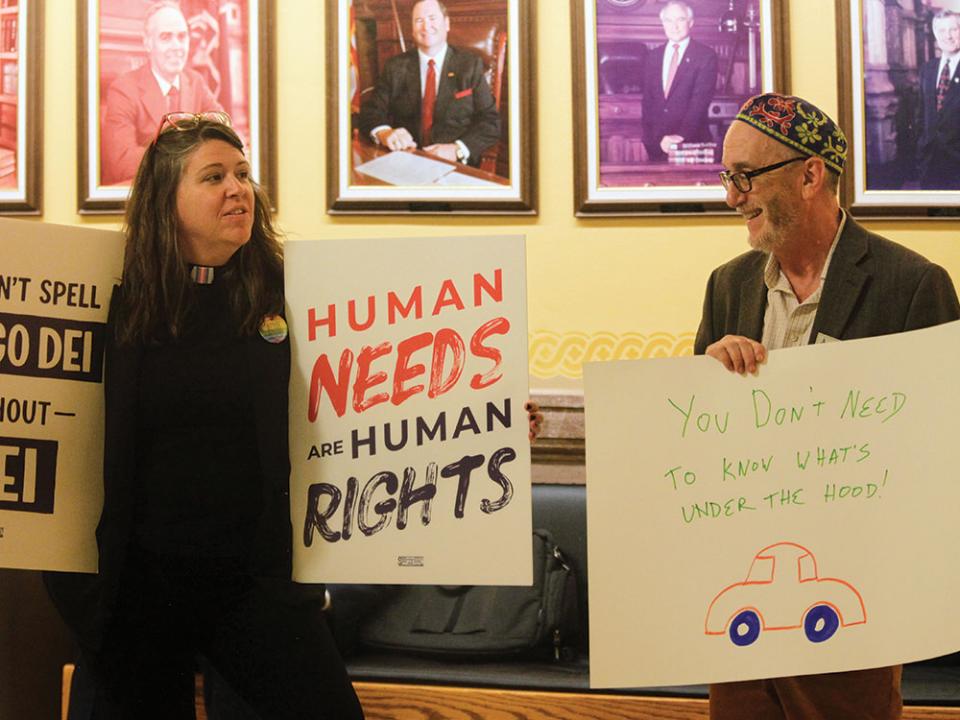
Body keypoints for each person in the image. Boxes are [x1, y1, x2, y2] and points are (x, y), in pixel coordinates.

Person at [46, 112, 364, 720]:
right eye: (214, 177)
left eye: (243, 174)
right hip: (138, 590)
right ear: (167, 200)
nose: (238, 189)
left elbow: (378, 394)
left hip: (251, 583)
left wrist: (501, 415)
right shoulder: (111, 297)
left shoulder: (287, 290)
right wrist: (86, 603)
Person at [696, 92, 960, 719]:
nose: (733, 196)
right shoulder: (727, 284)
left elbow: (942, 449)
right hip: (742, 591)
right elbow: (695, 445)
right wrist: (706, 377)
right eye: (728, 177)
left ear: (810, 174)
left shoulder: (913, 285)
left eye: (746, 176)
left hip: (854, 612)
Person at [357, 0, 500, 168]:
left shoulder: (469, 65)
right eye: (419, 21)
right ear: (412, 29)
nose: (426, 26)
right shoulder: (395, 66)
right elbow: (371, 111)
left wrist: (457, 150)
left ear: (446, 24)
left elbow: (491, 122)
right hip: (405, 162)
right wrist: (384, 132)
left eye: (432, 18)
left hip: (456, 167)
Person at [100, 1, 222, 186]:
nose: (177, 46)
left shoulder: (195, 81)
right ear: (147, 43)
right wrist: (193, 158)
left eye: (182, 37)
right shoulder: (124, 88)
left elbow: (224, 130)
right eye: (166, 37)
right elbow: (122, 163)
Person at [640, 0, 717, 162]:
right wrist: (650, 139)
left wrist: (680, 136)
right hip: (656, 146)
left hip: (690, 144)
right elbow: (648, 101)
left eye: (680, 20)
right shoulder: (653, 56)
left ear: (691, 23)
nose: (674, 26)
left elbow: (700, 102)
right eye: (669, 20)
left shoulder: (706, 56)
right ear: (663, 23)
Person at [917, 9, 960, 190]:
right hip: (929, 164)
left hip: (958, 165)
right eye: (942, 31)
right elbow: (920, 115)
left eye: (954, 29)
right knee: (932, 217)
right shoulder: (927, 69)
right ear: (935, 35)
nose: (948, 36)